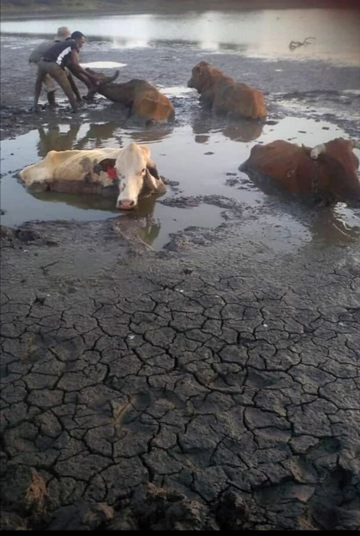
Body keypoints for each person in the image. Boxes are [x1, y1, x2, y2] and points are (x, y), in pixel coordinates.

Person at [33, 31, 99, 113]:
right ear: (77, 39)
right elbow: (75, 65)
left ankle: (34, 106)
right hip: (53, 65)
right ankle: (75, 110)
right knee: (67, 89)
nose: (82, 45)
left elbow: (70, 66)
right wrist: (91, 76)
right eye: (82, 42)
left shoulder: (65, 43)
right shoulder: (73, 44)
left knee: (38, 83)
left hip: (41, 63)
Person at [29, 26, 79, 107]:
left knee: (66, 74)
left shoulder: (56, 43)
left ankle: (39, 105)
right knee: (50, 85)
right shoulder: (58, 45)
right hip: (37, 62)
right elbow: (70, 63)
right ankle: (52, 103)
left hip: (45, 61)